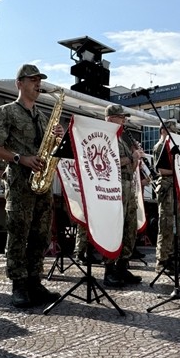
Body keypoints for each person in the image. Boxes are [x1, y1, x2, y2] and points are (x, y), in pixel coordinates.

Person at [0, 63, 65, 307]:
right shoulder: (6, 112)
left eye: (39, 80)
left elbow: (49, 149)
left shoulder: (42, 116)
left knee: (40, 235)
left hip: (41, 183)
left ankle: (34, 281)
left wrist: (58, 136)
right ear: (19, 83)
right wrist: (21, 158)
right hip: (20, 182)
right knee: (19, 235)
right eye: (32, 80)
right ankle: (18, 285)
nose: (37, 84)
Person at [75, 104, 145, 288]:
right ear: (111, 118)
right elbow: (106, 162)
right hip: (114, 190)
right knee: (115, 229)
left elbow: (131, 168)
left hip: (128, 188)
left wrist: (136, 157)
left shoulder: (121, 139)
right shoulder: (104, 137)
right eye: (121, 117)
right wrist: (130, 157)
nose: (124, 120)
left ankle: (122, 266)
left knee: (129, 230)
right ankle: (109, 269)